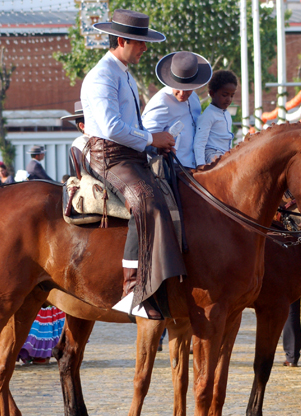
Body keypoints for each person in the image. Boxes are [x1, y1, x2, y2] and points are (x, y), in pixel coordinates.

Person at [80, 9, 185, 319]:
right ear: (122, 40)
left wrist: (154, 143)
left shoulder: (122, 71)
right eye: (140, 43)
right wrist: (153, 139)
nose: (145, 48)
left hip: (128, 154)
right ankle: (132, 289)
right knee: (148, 202)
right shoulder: (103, 75)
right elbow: (111, 128)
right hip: (108, 156)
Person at [142, 51, 212, 169]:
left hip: (194, 170)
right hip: (172, 172)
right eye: (178, 88)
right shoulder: (161, 103)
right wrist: (159, 149)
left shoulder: (194, 99)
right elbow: (145, 140)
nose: (182, 93)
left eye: (188, 89)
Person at [194, 70, 237, 167]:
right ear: (212, 93)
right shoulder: (208, 115)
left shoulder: (227, 114)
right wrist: (200, 165)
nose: (229, 99)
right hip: (212, 156)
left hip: (226, 154)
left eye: (232, 95)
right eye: (224, 95)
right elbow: (199, 142)